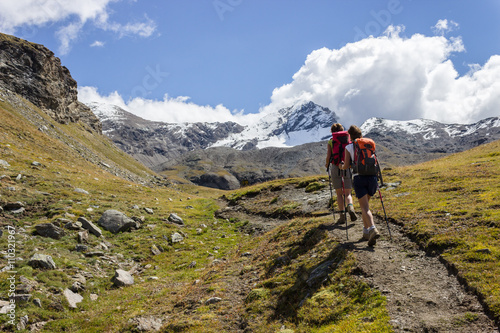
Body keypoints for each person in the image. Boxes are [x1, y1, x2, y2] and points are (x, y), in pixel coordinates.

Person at [339, 125, 380, 246]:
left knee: (365, 208)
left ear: (350, 136)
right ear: (360, 134)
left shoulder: (349, 147)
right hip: (372, 177)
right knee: (365, 205)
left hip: (359, 178)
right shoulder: (369, 144)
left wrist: (341, 166)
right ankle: (366, 231)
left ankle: (373, 228)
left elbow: (346, 166)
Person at [325, 123, 358, 224]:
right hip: (347, 167)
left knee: (339, 194)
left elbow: (328, 156)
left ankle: (342, 216)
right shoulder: (349, 140)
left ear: (332, 132)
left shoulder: (331, 141)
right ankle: (351, 207)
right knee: (348, 193)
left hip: (335, 167)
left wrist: (327, 165)